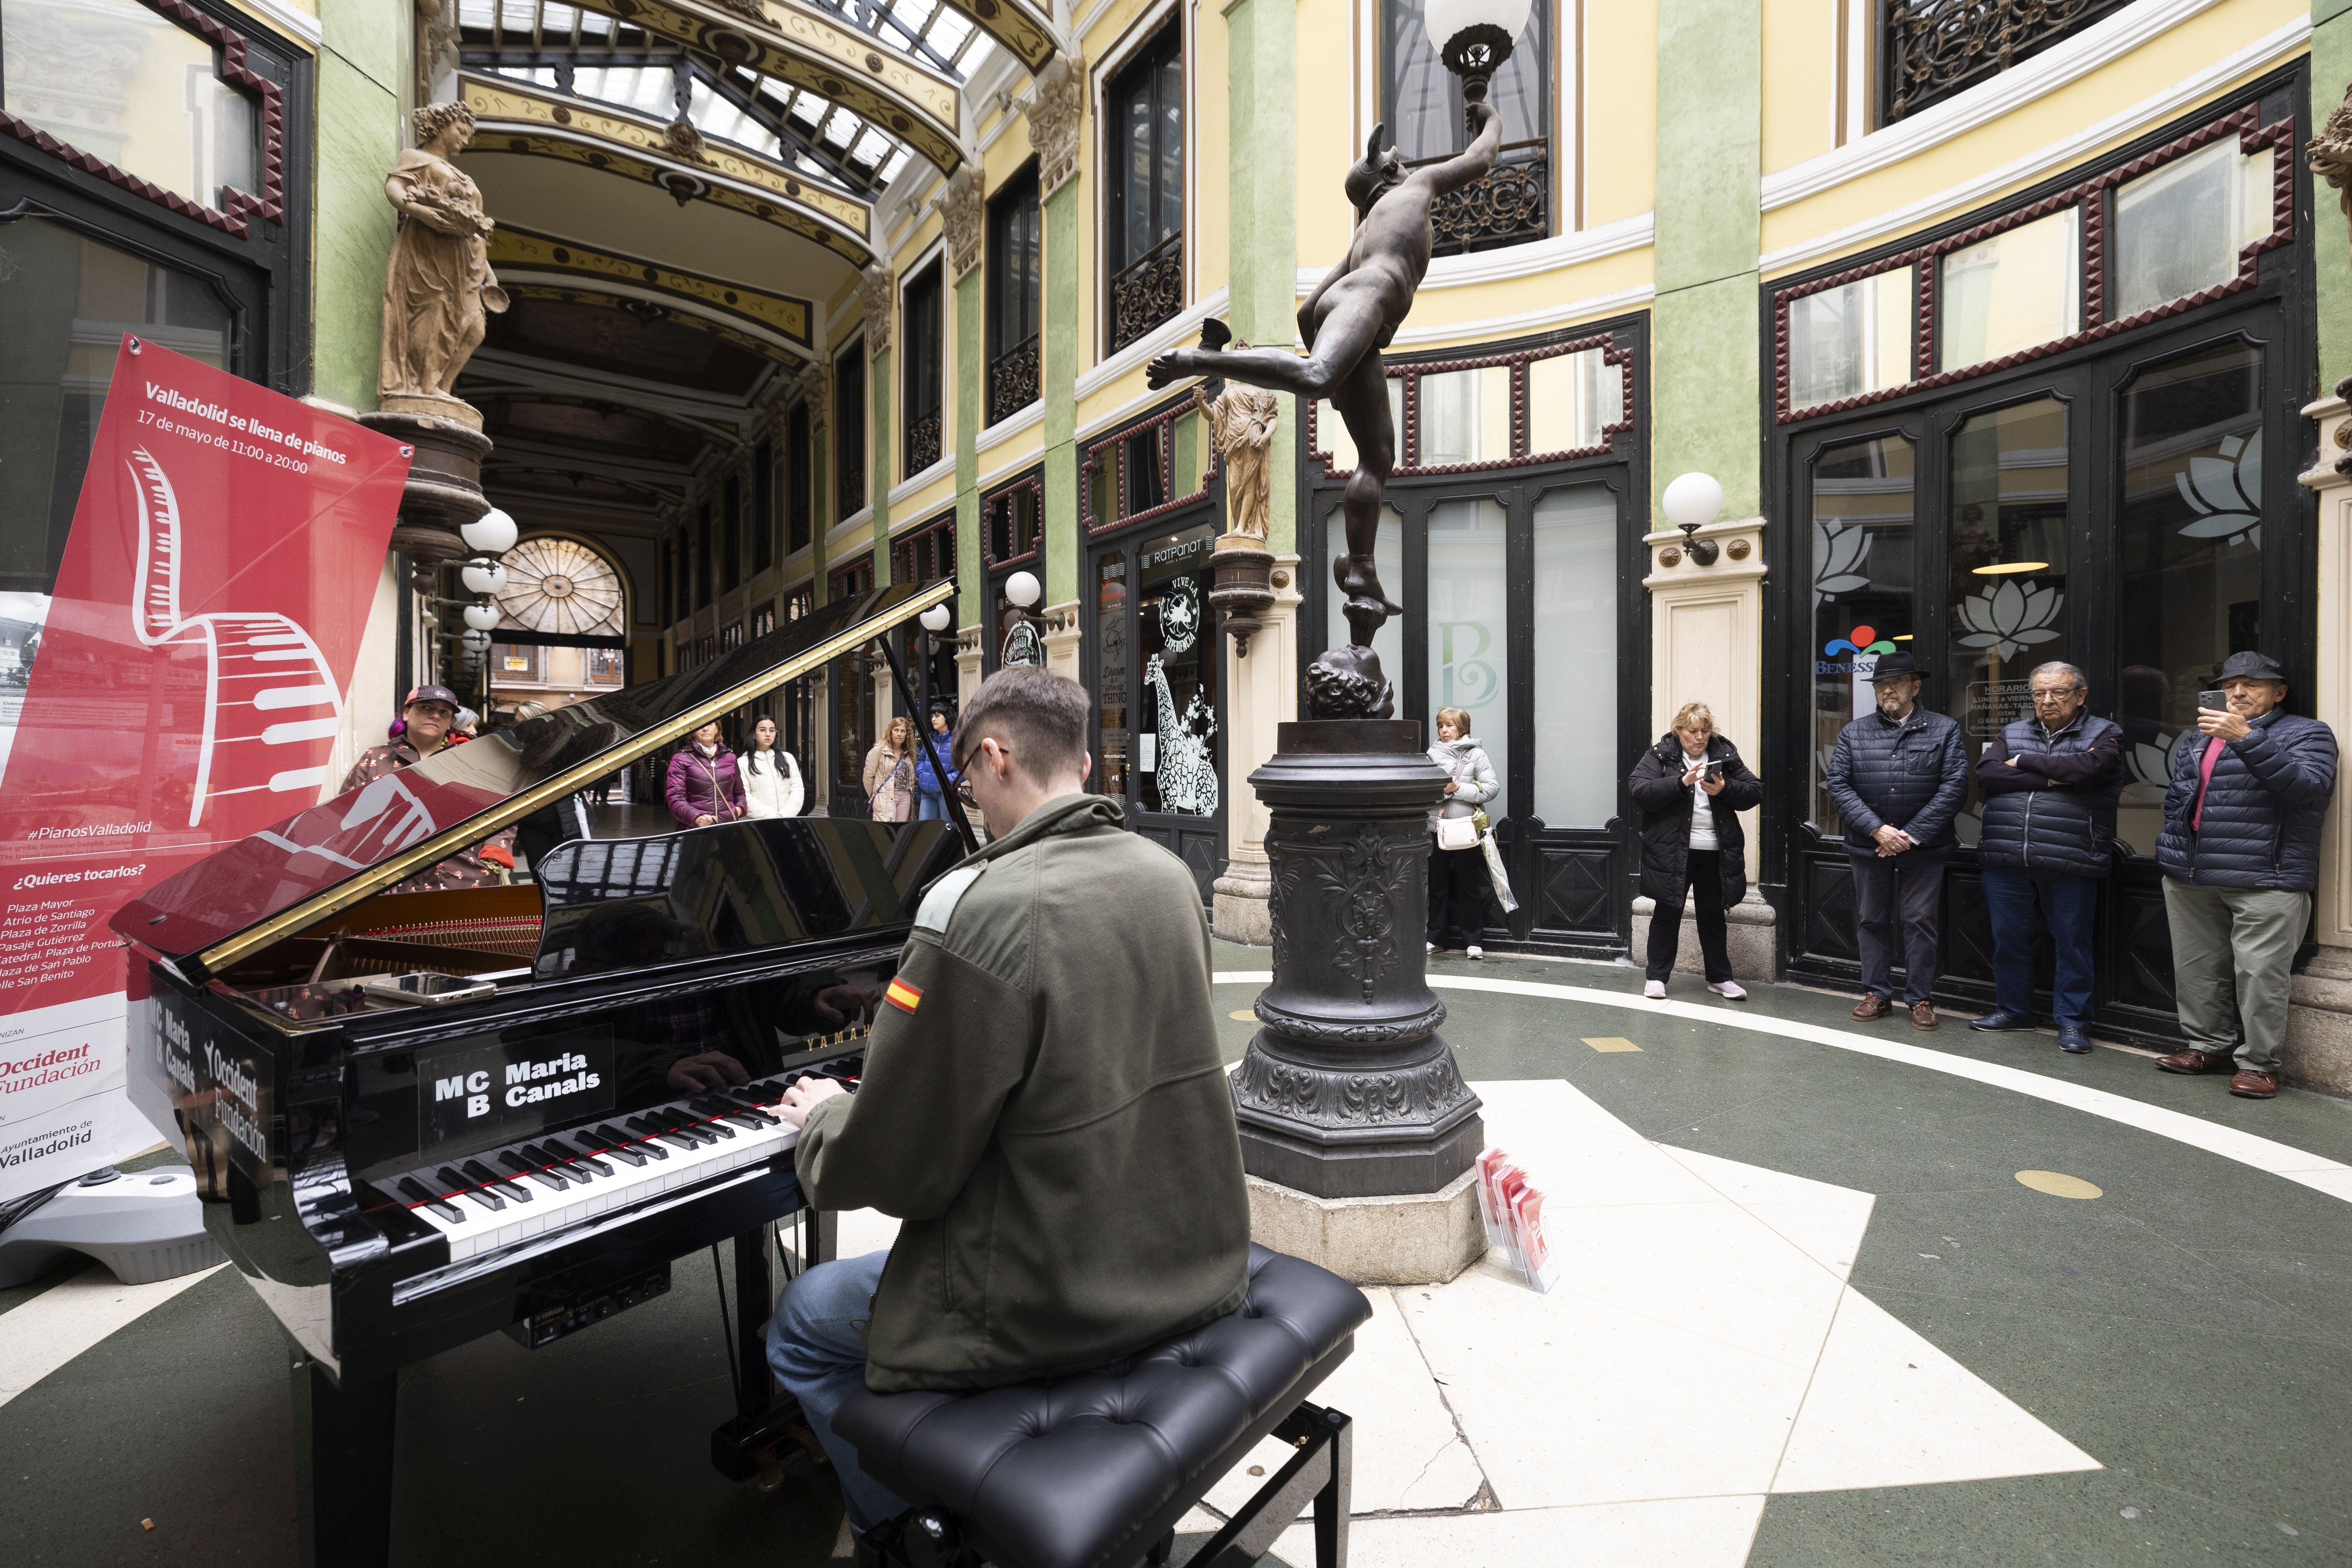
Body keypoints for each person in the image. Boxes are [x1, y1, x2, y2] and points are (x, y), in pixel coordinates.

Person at [764, 666, 1249, 1536]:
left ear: (992, 757)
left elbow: (901, 1168)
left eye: (966, 778)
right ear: (1086, 761)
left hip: (1054, 1293)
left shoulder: (975, 909)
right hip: (1186, 1259)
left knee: (801, 1322)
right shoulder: (1168, 873)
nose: (970, 799)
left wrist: (823, 1119)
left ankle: (911, 1534)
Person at [2152, 651, 2339, 1098]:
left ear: (2278, 693)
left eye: (2252, 685)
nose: (2237, 693)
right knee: (2196, 969)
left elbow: (2306, 791)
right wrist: (2171, 849)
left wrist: (2246, 739)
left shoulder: (2307, 733)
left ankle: (2258, 1064)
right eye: (2230, 684)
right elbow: (2179, 798)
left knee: (2260, 976)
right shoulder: (2198, 738)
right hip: (2191, 874)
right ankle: (2206, 1046)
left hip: (2264, 876)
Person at [1969, 662, 2127, 1055]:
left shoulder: (2104, 734)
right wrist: (2053, 777)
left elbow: (2090, 769)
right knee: (2008, 940)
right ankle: (2012, 1011)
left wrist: (2021, 763)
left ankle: (2072, 1023)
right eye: (2039, 694)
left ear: (2079, 695)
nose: (2047, 701)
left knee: (2071, 942)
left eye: (2057, 692)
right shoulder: (2012, 732)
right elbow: (1987, 774)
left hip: (2069, 856)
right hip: (2006, 855)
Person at [1823, 651, 1969, 1030]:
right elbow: (1837, 784)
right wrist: (1877, 829)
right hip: (1869, 845)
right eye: (1880, 684)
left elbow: (1954, 788)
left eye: (1896, 682)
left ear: (1915, 687)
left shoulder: (1944, 729)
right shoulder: (1854, 732)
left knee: (1920, 921)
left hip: (1925, 848)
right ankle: (1877, 994)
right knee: (1871, 919)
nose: (1887, 690)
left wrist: (1911, 835)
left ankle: (1920, 998)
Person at [1628, 701, 1764, 1002]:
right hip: (1673, 851)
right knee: (1667, 911)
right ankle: (1656, 977)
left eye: (1705, 730)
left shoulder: (1723, 753)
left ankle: (1720, 978)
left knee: (1713, 915)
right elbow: (1640, 790)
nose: (1700, 737)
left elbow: (1754, 790)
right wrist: (1681, 782)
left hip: (1715, 850)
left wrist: (1725, 789)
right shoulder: (1661, 754)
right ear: (1679, 731)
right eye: (1692, 731)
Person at [338, 684, 515, 891]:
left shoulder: (473, 760)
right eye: (426, 708)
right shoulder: (376, 759)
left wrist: (493, 857)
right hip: (390, 878)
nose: (435, 716)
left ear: (450, 721)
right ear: (406, 713)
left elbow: (503, 807)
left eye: (444, 712)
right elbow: (346, 814)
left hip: (463, 877)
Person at [1426, 708, 1497, 959]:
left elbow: (1491, 788)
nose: (1444, 731)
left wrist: (1457, 791)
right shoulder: (1430, 755)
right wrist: (1444, 792)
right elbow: (1421, 791)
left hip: (1465, 830)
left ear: (1462, 729)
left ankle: (1473, 941)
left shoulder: (1476, 754)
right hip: (1436, 828)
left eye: (1450, 726)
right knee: (1437, 886)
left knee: (1468, 886)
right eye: (1441, 726)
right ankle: (1435, 938)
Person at [664, 720, 746, 828]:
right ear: (693, 731)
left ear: (717, 729)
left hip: (727, 829)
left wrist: (738, 810)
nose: (705, 728)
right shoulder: (681, 759)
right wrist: (697, 818)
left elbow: (739, 793)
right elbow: (675, 798)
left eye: (710, 724)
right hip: (694, 831)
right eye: (700, 725)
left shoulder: (730, 757)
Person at [740, 715, 805, 820]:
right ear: (753, 734)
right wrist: (772, 817)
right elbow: (745, 797)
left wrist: (784, 815)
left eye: (772, 730)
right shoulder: (742, 763)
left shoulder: (788, 759)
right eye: (762, 730)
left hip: (787, 821)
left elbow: (797, 791)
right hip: (757, 825)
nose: (768, 734)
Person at [863, 715, 914, 823]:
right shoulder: (879, 750)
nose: (899, 734)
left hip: (905, 797)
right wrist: (877, 795)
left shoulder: (909, 753)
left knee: (901, 831)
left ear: (907, 734)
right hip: (886, 797)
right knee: (887, 832)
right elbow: (868, 777)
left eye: (903, 731)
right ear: (891, 732)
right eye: (896, 730)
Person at [912, 703, 956, 821]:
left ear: (947, 717)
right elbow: (921, 760)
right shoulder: (930, 739)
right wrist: (921, 774)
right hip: (927, 792)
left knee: (947, 829)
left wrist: (947, 780)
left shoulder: (956, 740)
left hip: (945, 794)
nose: (933, 719)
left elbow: (965, 769)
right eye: (932, 716)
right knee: (924, 829)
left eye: (937, 716)